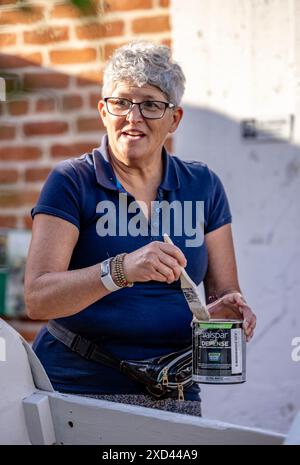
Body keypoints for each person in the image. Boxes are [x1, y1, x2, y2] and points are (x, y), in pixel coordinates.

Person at [25, 41, 256, 416]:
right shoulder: (72, 180)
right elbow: (38, 298)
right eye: (121, 103)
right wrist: (122, 269)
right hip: (77, 388)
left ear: (174, 119)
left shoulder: (203, 185)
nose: (133, 118)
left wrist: (230, 308)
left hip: (174, 391)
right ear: (103, 110)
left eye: (150, 104)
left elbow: (223, 292)